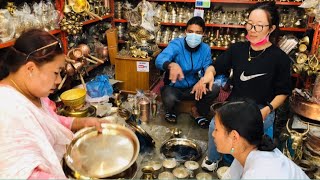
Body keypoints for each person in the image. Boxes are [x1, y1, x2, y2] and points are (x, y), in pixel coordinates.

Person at [193, 1, 292, 171]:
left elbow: (283, 92)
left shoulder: (279, 58)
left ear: (271, 28)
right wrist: (209, 74)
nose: (251, 30)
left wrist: (267, 110)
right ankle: (213, 157)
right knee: (215, 126)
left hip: (262, 107)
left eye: (259, 26)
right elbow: (216, 66)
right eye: (250, 24)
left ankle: (245, 166)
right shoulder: (238, 49)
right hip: (236, 103)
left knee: (243, 135)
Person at [0, 29, 108, 178]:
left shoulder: (32, 94)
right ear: (30, 69)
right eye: (56, 73)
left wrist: (82, 123)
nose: (58, 81)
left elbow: (51, 121)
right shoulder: (7, 110)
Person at [212, 99, 309, 179]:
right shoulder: (245, 150)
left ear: (234, 136)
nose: (213, 134)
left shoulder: (257, 174)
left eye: (216, 129)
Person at [155, 16, 219, 128]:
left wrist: (203, 81)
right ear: (185, 32)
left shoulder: (205, 49)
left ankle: (197, 111)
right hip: (174, 87)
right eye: (190, 31)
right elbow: (159, 59)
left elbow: (208, 68)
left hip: (193, 88)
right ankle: (172, 111)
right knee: (169, 96)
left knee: (214, 88)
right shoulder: (176, 44)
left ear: (203, 34)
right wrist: (170, 65)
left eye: (198, 32)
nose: (194, 35)